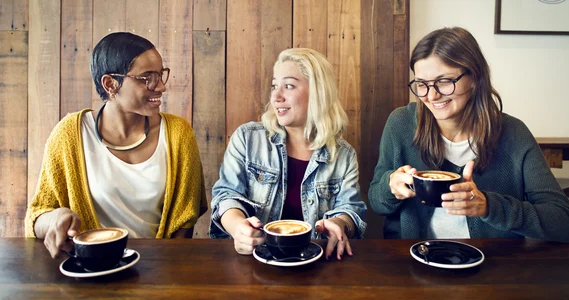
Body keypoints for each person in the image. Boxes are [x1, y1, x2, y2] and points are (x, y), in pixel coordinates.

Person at [368, 27, 569, 243]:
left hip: (492, 267)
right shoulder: (401, 123)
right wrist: (390, 186)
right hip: (415, 261)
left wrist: (488, 206)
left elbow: (564, 224)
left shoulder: (513, 134)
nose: (431, 95)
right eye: (421, 84)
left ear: (474, 77)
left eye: (444, 81)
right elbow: (376, 201)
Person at [25, 32, 208, 258]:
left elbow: (185, 220)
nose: (160, 86)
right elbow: (36, 216)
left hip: (161, 267)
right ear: (110, 84)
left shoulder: (178, 134)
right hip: (90, 269)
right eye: (147, 77)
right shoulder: (69, 135)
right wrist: (54, 218)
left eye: (161, 75)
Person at [210, 48, 367, 260]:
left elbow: (350, 209)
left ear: (318, 93)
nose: (276, 96)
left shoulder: (343, 155)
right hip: (251, 262)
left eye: (289, 86)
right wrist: (238, 227)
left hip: (316, 264)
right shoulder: (248, 138)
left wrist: (339, 225)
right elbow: (226, 196)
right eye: (274, 86)